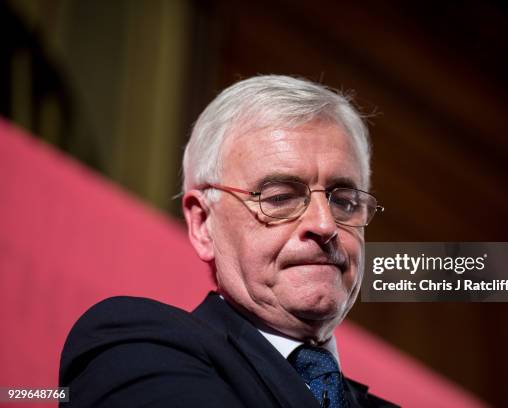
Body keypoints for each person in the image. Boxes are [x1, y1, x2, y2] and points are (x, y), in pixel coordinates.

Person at [59, 75, 394, 407]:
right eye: (279, 198)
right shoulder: (134, 350)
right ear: (203, 224)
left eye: (343, 202)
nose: (325, 224)